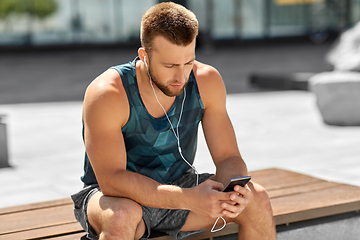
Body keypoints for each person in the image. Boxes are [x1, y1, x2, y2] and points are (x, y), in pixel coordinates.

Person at [71, 2, 277, 240]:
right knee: (123, 217)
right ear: (144, 55)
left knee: (257, 199)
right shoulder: (108, 93)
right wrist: (187, 199)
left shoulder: (206, 81)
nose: (181, 76)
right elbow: (111, 180)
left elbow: (228, 156)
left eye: (188, 63)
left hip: (180, 185)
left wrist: (234, 191)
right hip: (117, 197)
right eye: (169, 66)